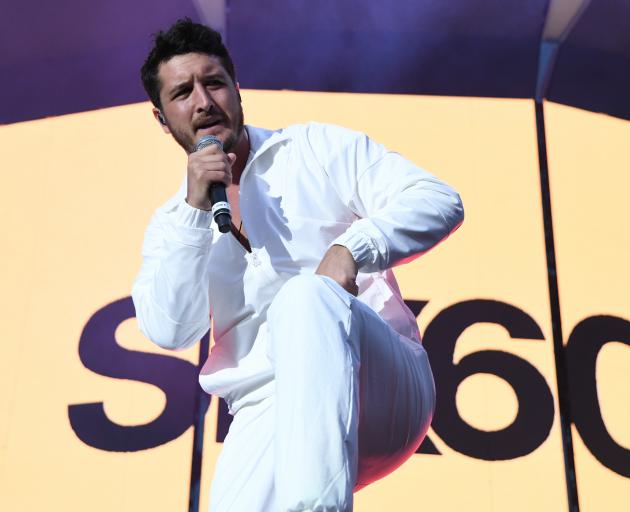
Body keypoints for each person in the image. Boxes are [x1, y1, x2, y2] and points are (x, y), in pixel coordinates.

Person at [133, 18, 463, 512]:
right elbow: (169, 329)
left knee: (305, 297)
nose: (203, 102)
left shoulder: (313, 148)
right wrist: (193, 211)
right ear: (162, 119)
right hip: (267, 409)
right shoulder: (170, 225)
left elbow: (438, 199)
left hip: (379, 382)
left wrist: (351, 249)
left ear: (238, 91)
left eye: (215, 82)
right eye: (182, 92)